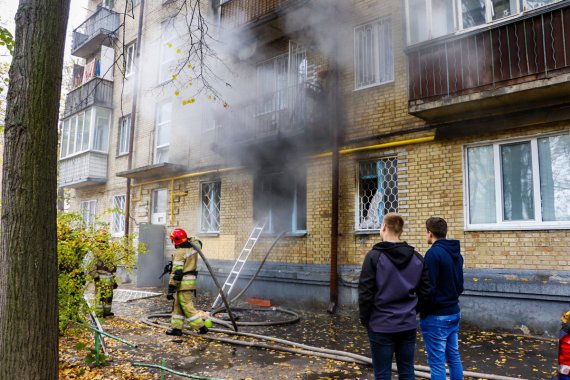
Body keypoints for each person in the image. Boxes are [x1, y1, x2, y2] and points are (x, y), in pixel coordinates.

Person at [358, 213, 431, 380]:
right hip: (407, 324)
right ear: (401, 231)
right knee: (407, 372)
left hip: (380, 325)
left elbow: (365, 294)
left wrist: (366, 319)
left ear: (384, 227)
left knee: (383, 374)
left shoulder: (373, 257)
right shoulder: (417, 258)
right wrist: (412, 311)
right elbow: (426, 292)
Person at [419, 217, 464, 380]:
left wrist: (422, 311)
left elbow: (427, 289)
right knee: (454, 358)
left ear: (430, 233)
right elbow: (460, 286)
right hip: (454, 312)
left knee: (437, 364)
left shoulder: (432, 254)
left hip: (436, 316)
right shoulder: (456, 254)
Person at [165, 228, 211, 336]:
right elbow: (198, 243)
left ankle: (202, 327)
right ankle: (177, 328)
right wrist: (188, 239)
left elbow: (177, 273)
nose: (172, 242)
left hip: (182, 284)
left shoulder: (180, 253)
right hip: (189, 283)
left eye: (173, 240)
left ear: (176, 240)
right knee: (178, 305)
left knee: (186, 306)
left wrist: (171, 288)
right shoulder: (193, 249)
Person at [90, 229, 118, 318]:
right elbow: (91, 265)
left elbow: (113, 266)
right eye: (102, 237)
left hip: (109, 278)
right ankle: (99, 313)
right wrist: (95, 276)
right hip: (100, 278)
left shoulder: (109, 250)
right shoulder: (95, 250)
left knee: (109, 296)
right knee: (100, 296)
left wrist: (114, 281)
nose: (104, 240)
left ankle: (107, 312)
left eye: (105, 237)